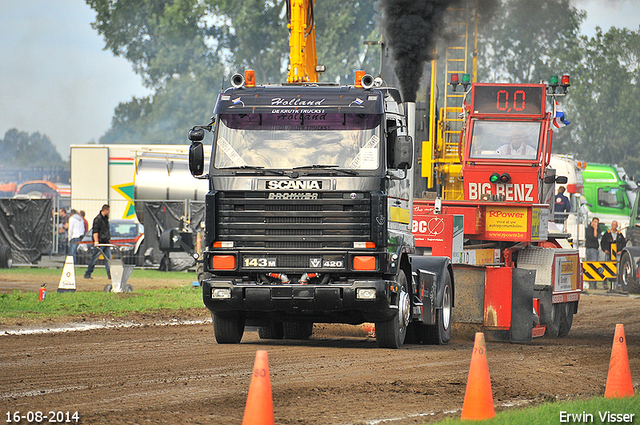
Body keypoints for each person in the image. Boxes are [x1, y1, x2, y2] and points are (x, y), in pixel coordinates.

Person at [84, 204, 111, 279]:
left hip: (106, 242)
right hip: (100, 242)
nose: (109, 212)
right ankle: (88, 273)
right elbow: (95, 231)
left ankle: (110, 275)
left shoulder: (105, 219)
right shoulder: (98, 219)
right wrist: (96, 242)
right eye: (108, 210)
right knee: (95, 258)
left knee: (108, 259)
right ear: (105, 210)